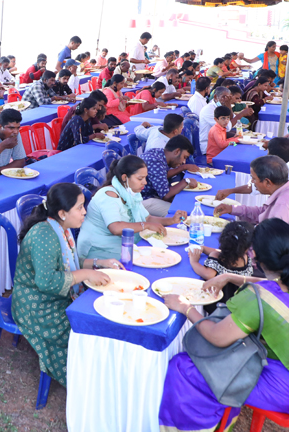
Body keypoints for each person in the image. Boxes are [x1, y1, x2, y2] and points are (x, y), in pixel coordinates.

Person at [160, 218, 289, 432]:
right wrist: (229, 277)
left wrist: (186, 308)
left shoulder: (258, 298)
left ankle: (199, 427)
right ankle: (224, 417)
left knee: (183, 367)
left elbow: (216, 337)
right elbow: (274, 284)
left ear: (255, 256)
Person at [12, 183, 123, 387]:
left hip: (52, 295)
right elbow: (46, 281)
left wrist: (99, 263)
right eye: (80, 207)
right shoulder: (44, 235)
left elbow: (68, 261)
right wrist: (86, 274)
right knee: (87, 325)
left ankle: (103, 369)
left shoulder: (61, 227)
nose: (84, 212)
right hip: (37, 305)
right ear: (63, 213)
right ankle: (91, 380)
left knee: (101, 307)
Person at [214, 155, 289, 271]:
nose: (252, 182)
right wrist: (232, 209)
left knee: (220, 264)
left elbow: (267, 246)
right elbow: (263, 213)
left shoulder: (284, 205)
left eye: (254, 179)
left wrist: (238, 256)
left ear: (267, 182)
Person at [77, 155, 186, 260]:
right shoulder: (109, 195)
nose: (145, 182)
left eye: (145, 178)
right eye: (140, 178)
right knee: (149, 256)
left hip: (115, 244)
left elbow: (147, 218)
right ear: (125, 177)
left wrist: (171, 220)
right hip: (98, 249)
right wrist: (146, 226)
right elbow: (115, 228)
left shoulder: (131, 192)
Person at [216, 137, 289, 216]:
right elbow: (256, 190)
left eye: (268, 152)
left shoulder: (285, 178)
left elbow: (269, 218)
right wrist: (231, 192)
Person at [189, 221, 255, 313]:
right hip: (237, 304)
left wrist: (194, 261)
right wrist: (203, 248)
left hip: (217, 306)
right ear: (247, 248)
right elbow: (223, 252)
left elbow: (208, 274)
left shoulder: (216, 257)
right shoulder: (245, 259)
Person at [140, 135, 199, 216]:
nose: (184, 161)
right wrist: (186, 181)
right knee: (180, 212)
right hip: (141, 200)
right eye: (184, 157)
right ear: (177, 151)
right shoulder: (155, 161)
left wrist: (183, 167)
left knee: (182, 200)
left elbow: (161, 175)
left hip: (149, 195)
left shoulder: (158, 153)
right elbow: (166, 195)